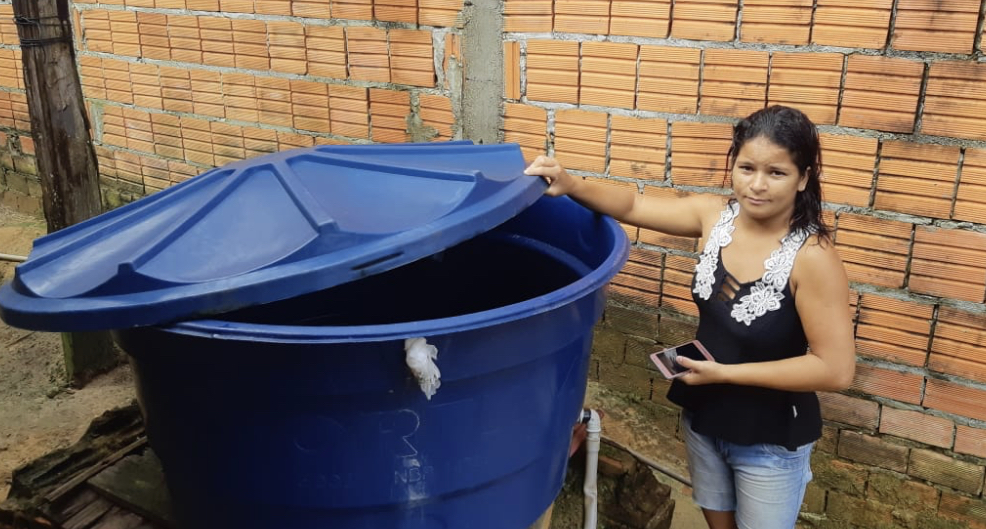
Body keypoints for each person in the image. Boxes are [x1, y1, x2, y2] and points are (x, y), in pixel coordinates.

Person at [524, 105, 856, 529]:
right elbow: (632, 204)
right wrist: (572, 183)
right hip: (704, 417)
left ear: (804, 178)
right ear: (732, 166)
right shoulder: (713, 216)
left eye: (777, 173)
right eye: (746, 167)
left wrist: (726, 374)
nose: (756, 185)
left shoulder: (813, 258)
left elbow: (835, 369)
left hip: (769, 438)